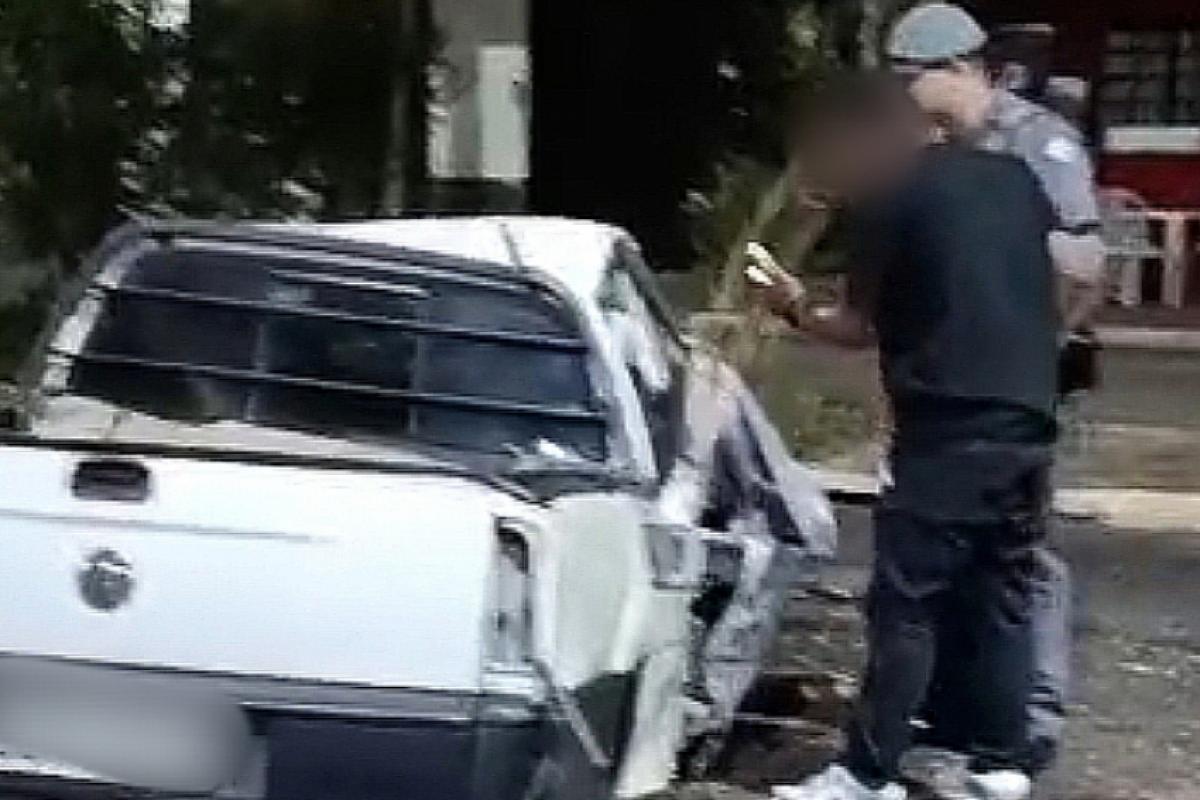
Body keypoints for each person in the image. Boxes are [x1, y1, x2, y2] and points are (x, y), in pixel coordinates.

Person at [763, 73, 1058, 800]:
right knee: (1002, 592)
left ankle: (867, 772)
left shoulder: (889, 200)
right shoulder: (1015, 177)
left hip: (948, 421)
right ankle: (1002, 761)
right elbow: (1051, 276)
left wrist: (790, 305)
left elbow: (856, 327)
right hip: (1029, 412)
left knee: (908, 602)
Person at [885, 2, 1102, 779]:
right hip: (966, 382)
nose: (904, 95)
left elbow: (1079, 266)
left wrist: (1027, 348)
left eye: (913, 78)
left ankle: (1029, 721)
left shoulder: (1035, 142)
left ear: (960, 69)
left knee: (1022, 559)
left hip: (1029, 382)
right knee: (962, 559)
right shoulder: (948, 149)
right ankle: (962, 716)